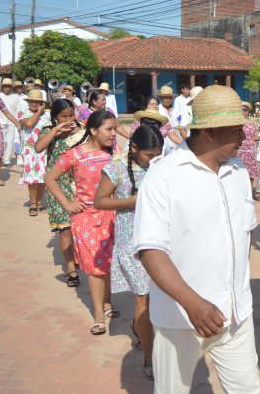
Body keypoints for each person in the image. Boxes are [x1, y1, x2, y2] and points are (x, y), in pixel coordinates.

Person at [133, 85, 260, 393]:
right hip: (181, 320)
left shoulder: (239, 171)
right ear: (211, 132)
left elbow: (242, 239)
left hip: (236, 314)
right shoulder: (163, 177)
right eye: (237, 131)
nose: (244, 139)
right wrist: (193, 304)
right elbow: (151, 251)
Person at [94, 124, 164, 380]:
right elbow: (99, 201)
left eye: (158, 153)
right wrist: (132, 202)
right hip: (131, 244)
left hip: (160, 240)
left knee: (160, 296)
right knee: (143, 298)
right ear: (134, 147)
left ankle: (139, 327)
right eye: (149, 154)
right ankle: (150, 356)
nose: (153, 159)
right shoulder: (116, 167)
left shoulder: (162, 165)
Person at [44, 110, 118, 335]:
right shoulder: (74, 155)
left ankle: (107, 303)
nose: (114, 134)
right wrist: (67, 203)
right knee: (94, 267)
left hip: (111, 214)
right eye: (109, 129)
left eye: (115, 129)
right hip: (85, 217)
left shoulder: (114, 153)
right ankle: (98, 314)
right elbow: (50, 178)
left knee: (107, 261)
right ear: (94, 130)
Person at [34, 99, 84, 287]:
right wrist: (55, 131)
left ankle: (81, 259)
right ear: (55, 117)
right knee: (65, 229)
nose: (69, 119)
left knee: (79, 227)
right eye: (64, 116)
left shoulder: (82, 130)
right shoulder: (49, 130)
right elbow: (38, 148)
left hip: (79, 185)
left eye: (71, 115)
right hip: (57, 185)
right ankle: (71, 270)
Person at [18, 89, 51, 216]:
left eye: (37, 101)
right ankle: (32, 204)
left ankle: (38, 202)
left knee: (43, 177)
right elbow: (30, 123)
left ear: (41, 102)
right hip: (30, 149)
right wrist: (39, 112)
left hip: (44, 149)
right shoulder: (23, 113)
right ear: (28, 102)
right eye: (32, 101)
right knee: (32, 178)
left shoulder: (47, 115)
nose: (34, 103)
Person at [0, 78, 19, 166]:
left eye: (9, 86)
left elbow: (18, 110)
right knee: (0, 142)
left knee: (10, 142)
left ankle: (7, 160)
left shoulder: (15, 96)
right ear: (2, 87)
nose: (7, 88)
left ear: (11, 87)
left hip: (11, 122)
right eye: (5, 86)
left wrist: (17, 122)